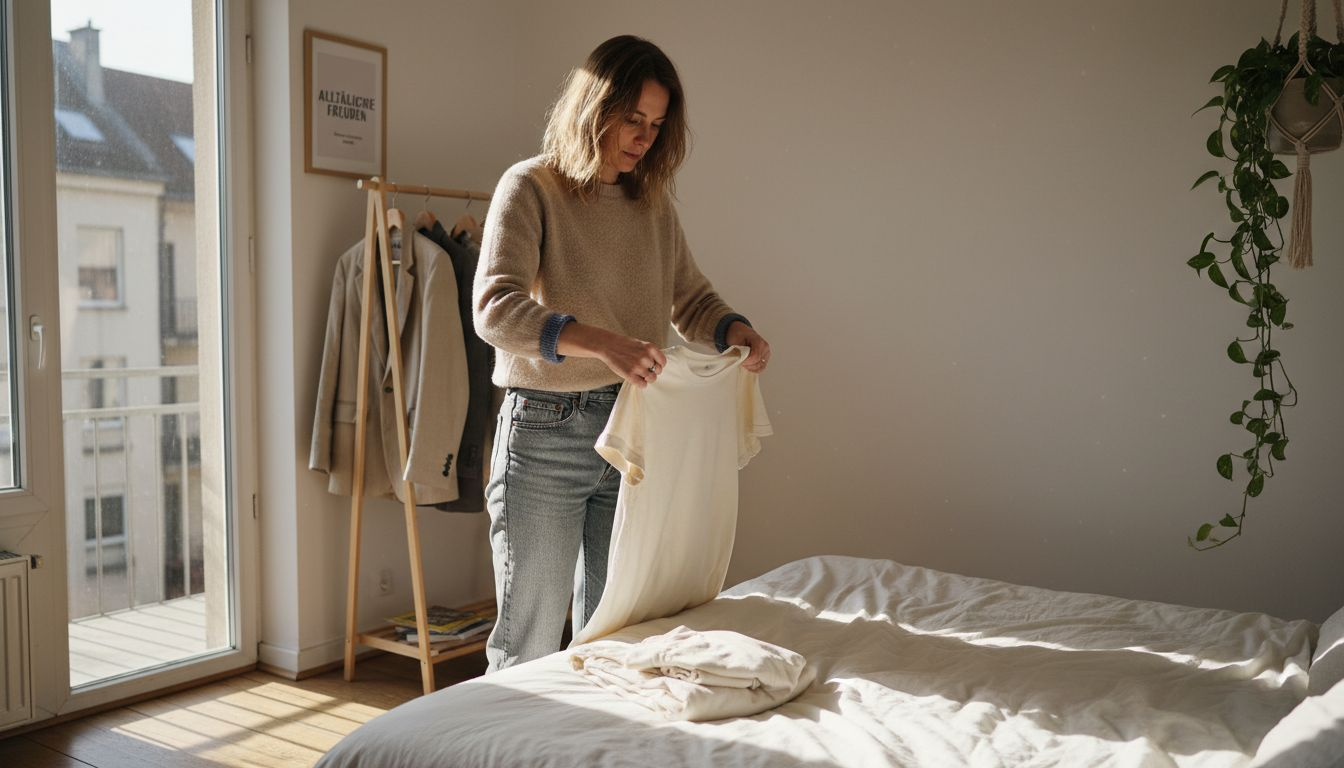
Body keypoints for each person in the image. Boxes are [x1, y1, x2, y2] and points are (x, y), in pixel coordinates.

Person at [472, 34, 771, 673]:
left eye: (657, 125)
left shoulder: (652, 205)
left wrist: (732, 329)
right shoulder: (531, 186)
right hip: (545, 432)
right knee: (528, 637)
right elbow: (494, 308)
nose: (644, 137)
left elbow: (690, 297)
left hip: (633, 432)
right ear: (593, 107)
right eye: (632, 119)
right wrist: (597, 340)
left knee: (616, 636)